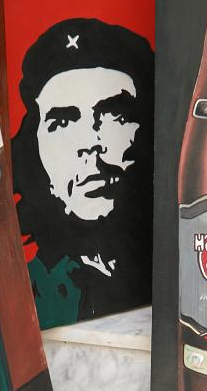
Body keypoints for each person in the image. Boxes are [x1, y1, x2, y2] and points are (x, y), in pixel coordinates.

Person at [12, 17, 154, 326]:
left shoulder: (179, 273)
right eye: (62, 122)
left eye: (115, 115)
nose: (90, 143)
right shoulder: (20, 301)